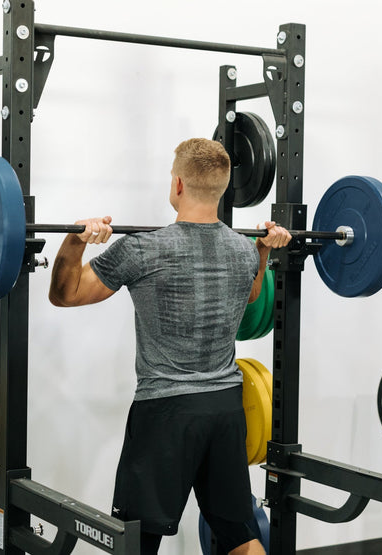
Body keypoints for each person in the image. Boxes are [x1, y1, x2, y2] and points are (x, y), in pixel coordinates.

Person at [48, 138, 292, 554]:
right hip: (226, 409)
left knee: (136, 541)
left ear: (177, 184)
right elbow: (251, 296)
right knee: (241, 535)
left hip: (166, 412)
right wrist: (263, 251)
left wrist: (76, 239)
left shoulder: (143, 249)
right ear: (223, 188)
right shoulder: (241, 251)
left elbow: (65, 294)